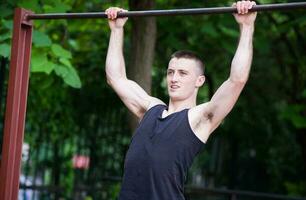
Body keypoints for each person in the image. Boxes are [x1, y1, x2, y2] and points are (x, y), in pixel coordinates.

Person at [105, 1, 257, 199]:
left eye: (183, 73)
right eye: (171, 72)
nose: (174, 79)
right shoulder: (151, 108)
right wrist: (116, 30)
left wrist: (246, 26)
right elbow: (115, 78)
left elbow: (236, 80)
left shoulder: (199, 119)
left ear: (199, 80)